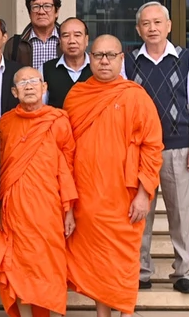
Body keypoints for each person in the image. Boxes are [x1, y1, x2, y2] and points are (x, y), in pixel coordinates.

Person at [64, 35, 163, 317]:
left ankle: (125, 312)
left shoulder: (135, 96)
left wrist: (145, 194)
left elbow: (153, 146)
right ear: (89, 59)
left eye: (110, 55)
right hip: (88, 195)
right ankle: (102, 314)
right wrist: (68, 202)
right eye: (98, 55)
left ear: (122, 59)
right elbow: (66, 150)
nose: (104, 61)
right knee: (97, 260)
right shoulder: (77, 96)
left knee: (123, 259)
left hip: (125, 196)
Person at [0, 66, 78, 317]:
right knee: (16, 267)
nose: (30, 86)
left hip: (48, 209)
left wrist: (69, 210)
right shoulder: (7, 122)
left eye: (35, 81)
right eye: (23, 83)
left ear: (45, 87)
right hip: (15, 209)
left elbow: (67, 167)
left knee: (44, 268)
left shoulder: (58, 120)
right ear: (14, 92)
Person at [127, 2, 189, 294]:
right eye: (146, 24)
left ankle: (183, 272)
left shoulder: (187, 59)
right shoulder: (129, 62)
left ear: (169, 26)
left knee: (180, 213)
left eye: (157, 23)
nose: (152, 28)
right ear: (138, 29)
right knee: (140, 212)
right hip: (138, 151)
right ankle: (140, 271)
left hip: (176, 147)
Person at [5, 0, 62, 70]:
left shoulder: (67, 41)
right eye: (36, 7)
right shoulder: (14, 45)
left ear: (56, 11)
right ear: (29, 13)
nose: (41, 12)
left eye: (47, 6)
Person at [40, 17, 91, 109]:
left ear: (86, 40)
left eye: (77, 35)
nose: (72, 41)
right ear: (59, 41)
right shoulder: (45, 70)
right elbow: (40, 108)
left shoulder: (98, 68)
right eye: (66, 36)